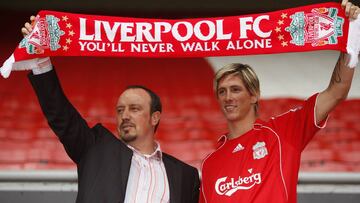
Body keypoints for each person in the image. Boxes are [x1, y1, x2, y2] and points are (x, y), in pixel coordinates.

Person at [21, 20, 200, 203]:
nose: (125, 115)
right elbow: (61, 116)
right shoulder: (95, 149)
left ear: (155, 117)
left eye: (134, 109)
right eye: (120, 110)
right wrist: (41, 61)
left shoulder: (186, 176)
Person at [200, 0, 359, 202]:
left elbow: (337, 91)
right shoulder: (210, 163)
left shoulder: (283, 132)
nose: (228, 97)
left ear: (254, 95)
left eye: (235, 89)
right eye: (222, 92)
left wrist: (351, 36)